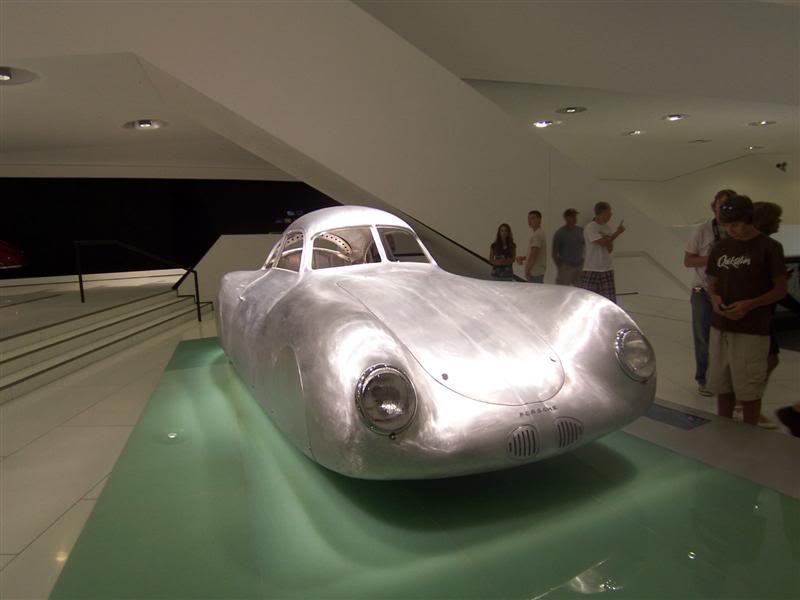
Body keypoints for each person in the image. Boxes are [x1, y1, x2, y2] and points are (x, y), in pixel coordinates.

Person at [705, 195, 787, 426]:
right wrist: (715, 300)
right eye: (726, 225)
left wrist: (750, 304)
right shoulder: (720, 247)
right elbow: (712, 282)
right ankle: (724, 430)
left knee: (749, 389)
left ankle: (750, 434)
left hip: (752, 330)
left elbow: (780, 290)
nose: (730, 230)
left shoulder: (769, 248)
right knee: (722, 385)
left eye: (735, 224)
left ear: (749, 219)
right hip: (721, 327)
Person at [753, 201, 800, 433]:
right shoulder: (770, 247)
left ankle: (750, 404)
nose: (780, 222)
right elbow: (776, 289)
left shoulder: (758, 246)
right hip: (760, 315)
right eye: (777, 219)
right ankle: (750, 405)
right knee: (767, 360)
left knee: (768, 360)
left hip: (759, 314)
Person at [684, 189, 736, 397]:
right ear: (714, 207)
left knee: (729, 337)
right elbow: (688, 261)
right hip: (702, 290)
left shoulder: (737, 229)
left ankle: (726, 378)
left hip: (730, 290)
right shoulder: (703, 230)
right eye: (721, 206)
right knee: (703, 336)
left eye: (729, 206)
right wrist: (714, 257)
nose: (724, 210)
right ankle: (704, 378)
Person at [579, 201, 625, 303]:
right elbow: (602, 243)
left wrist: (609, 239)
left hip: (607, 268)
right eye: (608, 213)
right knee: (588, 300)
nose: (610, 215)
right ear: (601, 213)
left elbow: (610, 248)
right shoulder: (590, 227)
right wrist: (617, 233)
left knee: (609, 300)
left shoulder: (607, 228)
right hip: (592, 268)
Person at [552, 208, 584, 285]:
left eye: (575, 216)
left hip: (579, 265)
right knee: (562, 289)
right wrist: (560, 266)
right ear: (566, 218)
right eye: (572, 216)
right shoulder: (560, 233)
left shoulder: (580, 231)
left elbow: (585, 245)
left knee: (580, 289)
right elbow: (554, 253)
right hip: (566, 266)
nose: (575, 218)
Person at [516, 210, 546, 283]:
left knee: (534, 289)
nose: (530, 221)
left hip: (535, 273)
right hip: (536, 271)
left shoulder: (537, 235)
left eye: (532, 218)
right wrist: (524, 258)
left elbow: (534, 253)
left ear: (539, 220)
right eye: (529, 219)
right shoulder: (538, 233)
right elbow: (535, 253)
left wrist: (527, 270)